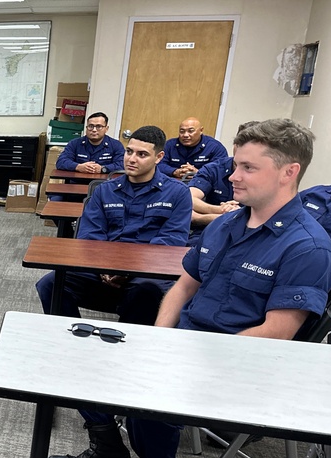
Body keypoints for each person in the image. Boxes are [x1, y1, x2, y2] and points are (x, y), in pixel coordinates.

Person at [47, 119, 331, 458]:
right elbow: (184, 285)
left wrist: (182, 356)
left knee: (148, 392)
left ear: (288, 172)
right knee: (86, 356)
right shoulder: (227, 224)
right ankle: (109, 454)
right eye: (234, 166)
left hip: (241, 365)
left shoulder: (306, 248)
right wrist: (160, 338)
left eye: (246, 168)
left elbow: (276, 332)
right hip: (188, 344)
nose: (232, 176)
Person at [35, 125, 192, 324]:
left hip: (146, 274)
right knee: (50, 284)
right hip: (104, 271)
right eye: (129, 152)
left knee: (147, 292)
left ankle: (123, 347)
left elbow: (171, 241)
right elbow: (90, 235)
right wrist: (105, 268)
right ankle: (73, 338)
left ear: (159, 157)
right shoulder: (105, 190)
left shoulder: (177, 193)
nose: (132, 159)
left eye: (142, 154)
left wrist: (127, 269)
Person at [158, 117, 229, 180]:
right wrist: (174, 171)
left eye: (190, 131)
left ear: (201, 130)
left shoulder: (215, 147)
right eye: (182, 131)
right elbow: (158, 164)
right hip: (173, 183)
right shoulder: (169, 145)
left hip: (202, 184)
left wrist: (198, 172)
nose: (185, 135)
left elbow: (221, 170)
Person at [54, 112, 125, 174]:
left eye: (99, 126)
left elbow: (122, 165)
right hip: (77, 183)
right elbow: (61, 162)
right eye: (91, 126)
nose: (94, 130)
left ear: (106, 129)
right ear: (86, 128)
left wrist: (102, 169)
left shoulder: (116, 145)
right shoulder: (74, 144)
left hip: (104, 185)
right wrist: (78, 167)